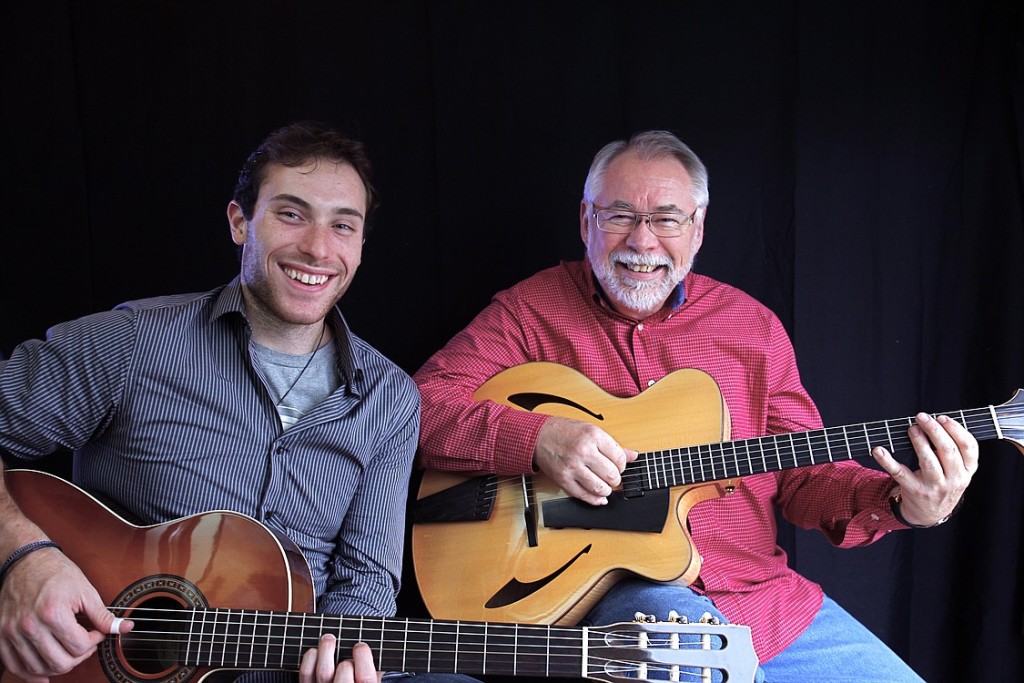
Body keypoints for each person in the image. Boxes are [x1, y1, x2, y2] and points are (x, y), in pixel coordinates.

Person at [413, 130, 977, 682]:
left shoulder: (752, 328)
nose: (642, 240)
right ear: (586, 220)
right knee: (703, 667)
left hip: (765, 601)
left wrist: (905, 504)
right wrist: (538, 440)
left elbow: (808, 483)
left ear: (697, 229)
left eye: (666, 218)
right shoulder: (526, 313)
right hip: (623, 597)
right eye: (619, 215)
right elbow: (417, 409)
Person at [0, 122, 477, 683]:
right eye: (292, 214)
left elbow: (366, 582)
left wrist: (343, 666)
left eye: (342, 226)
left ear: (362, 245)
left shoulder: (390, 397)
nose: (318, 248)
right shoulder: (134, 342)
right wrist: (22, 557)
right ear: (239, 221)